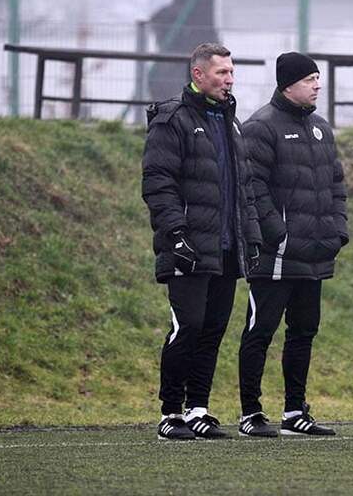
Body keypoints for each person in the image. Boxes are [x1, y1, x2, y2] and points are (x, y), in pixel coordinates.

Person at [142, 42, 262, 440]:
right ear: (198, 74)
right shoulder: (171, 119)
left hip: (226, 249)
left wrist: (251, 239)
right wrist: (176, 235)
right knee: (188, 327)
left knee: (212, 331)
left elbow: (244, 189)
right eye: (222, 73)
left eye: (231, 72)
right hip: (188, 249)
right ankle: (171, 413)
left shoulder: (231, 122)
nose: (229, 80)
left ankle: (198, 409)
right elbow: (158, 183)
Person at [238, 52, 349, 437]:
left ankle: (294, 412)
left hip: (315, 254)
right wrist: (278, 234)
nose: (318, 85)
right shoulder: (261, 127)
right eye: (309, 79)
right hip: (276, 256)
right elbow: (252, 187)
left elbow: (336, 185)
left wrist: (337, 231)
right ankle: (251, 413)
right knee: (260, 332)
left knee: (304, 332)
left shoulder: (321, 128)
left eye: (318, 78)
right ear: (288, 85)